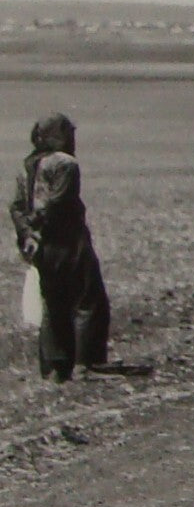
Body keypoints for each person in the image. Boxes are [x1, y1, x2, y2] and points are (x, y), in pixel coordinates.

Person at [9, 114, 111, 382]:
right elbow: (58, 202)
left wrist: (28, 235)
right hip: (68, 239)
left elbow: (17, 207)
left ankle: (55, 367)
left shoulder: (27, 165)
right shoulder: (65, 163)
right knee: (88, 299)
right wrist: (40, 224)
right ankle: (85, 363)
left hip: (41, 246)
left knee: (54, 302)